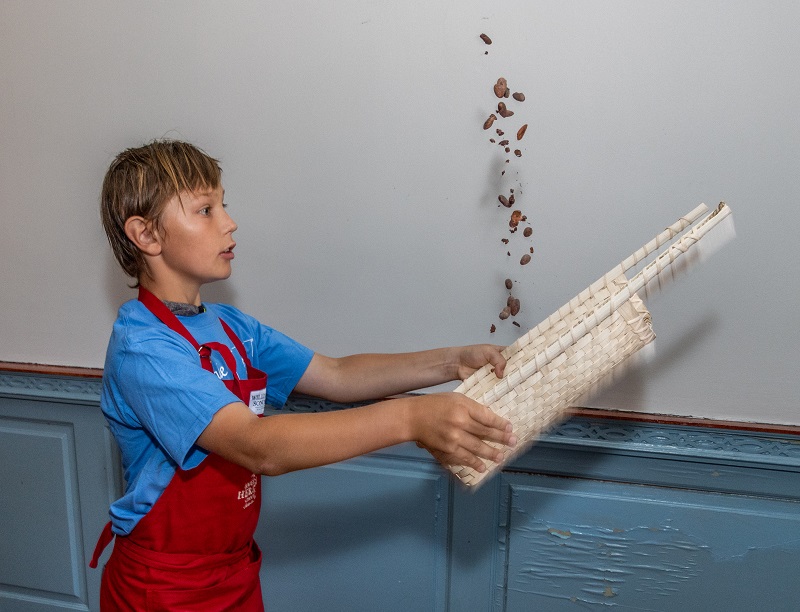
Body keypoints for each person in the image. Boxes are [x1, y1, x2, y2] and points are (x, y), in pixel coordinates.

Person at [89, 139, 516, 610]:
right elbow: (257, 446)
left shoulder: (232, 327)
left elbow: (336, 374)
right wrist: (412, 419)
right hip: (163, 587)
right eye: (205, 210)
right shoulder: (143, 348)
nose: (229, 222)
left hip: (233, 574)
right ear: (146, 235)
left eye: (223, 204)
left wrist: (452, 361)